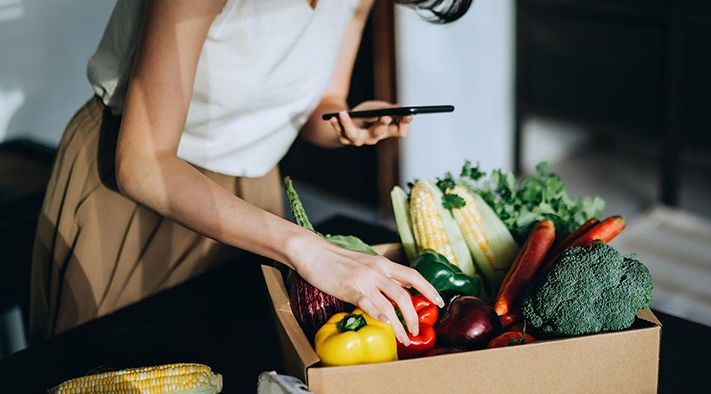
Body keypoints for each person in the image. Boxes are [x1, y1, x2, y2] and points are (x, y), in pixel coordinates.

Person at [29, 0, 472, 346]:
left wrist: (345, 120)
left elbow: (322, 102)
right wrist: (306, 249)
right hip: (130, 194)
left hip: (250, 197)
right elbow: (143, 165)